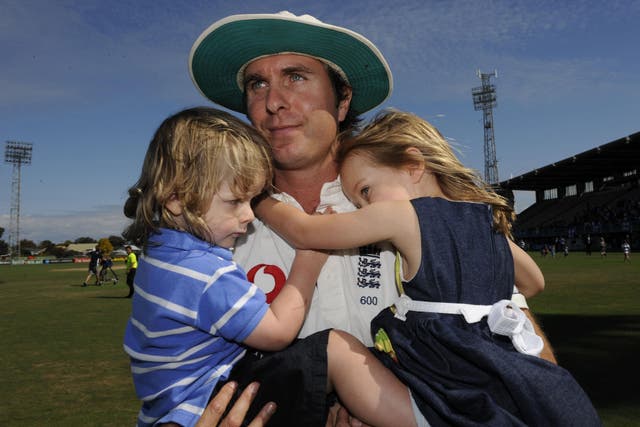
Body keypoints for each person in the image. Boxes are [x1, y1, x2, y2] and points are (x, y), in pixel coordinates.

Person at [189, 10, 556, 424]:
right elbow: (173, 367)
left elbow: (523, 344)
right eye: (258, 84)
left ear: (342, 101)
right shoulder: (208, 224)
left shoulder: (392, 196)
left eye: (296, 76)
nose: (274, 102)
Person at [256, 110, 601, 426]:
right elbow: (535, 282)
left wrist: (259, 200)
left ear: (413, 165)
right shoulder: (485, 225)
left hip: (442, 394)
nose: (363, 208)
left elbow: (303, 231)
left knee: (334, 349)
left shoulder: (403, 216)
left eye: (365, 191)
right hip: (496, 384)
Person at [122, 107, 422, 427]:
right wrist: (308, 261)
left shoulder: (163, 253)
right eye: (235, 202)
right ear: (176, 199)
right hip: (208, 403)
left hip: (179, 403)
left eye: (296, 76)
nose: (248, 216)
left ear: (342, 100)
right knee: (335, 350)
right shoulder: (203, 272)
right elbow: (277, 332)